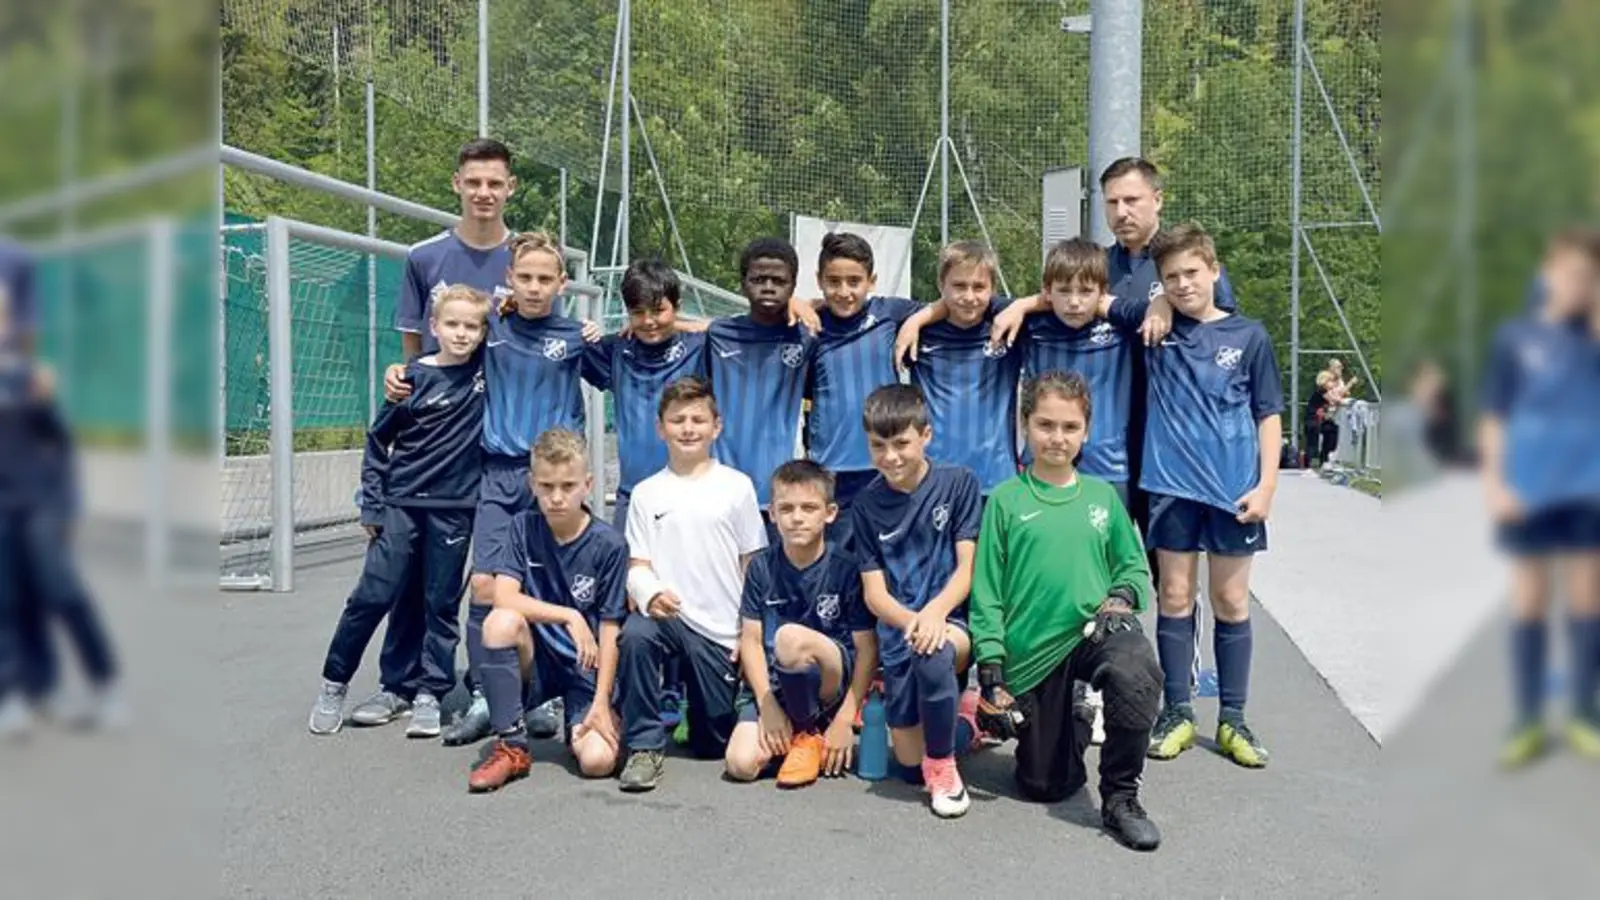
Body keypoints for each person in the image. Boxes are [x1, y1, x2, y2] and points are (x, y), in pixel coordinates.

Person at [384, 231, 601, 746]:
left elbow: (633, 363)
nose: (533, 286)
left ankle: (550, 691)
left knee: (552, 586)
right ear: (509, 279)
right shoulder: (494, 325)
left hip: (555, 479)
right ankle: (486, 689)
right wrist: (402, 371)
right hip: (500, 473)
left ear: (562, 283)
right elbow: (447, 351)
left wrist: (598, 333)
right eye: (524, 277)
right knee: (485, 585)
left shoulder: (576, 335)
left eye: (545, 278)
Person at [969, 371, 1164, 851]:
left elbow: (1135, 569)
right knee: (1045, 786)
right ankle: (1077, 712)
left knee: (1135, 670)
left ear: (1087, 431)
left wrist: (1121, 597)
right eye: (1045, 425)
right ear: (1025, 425)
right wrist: (991, 672)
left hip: (1094, 631)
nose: (1057, 438)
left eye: (1070, 427)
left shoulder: (1101, 497)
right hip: (1034, 654)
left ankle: (1121, 797)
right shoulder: (1006, 501)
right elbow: (987, 590)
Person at [309, 285, 490, 738]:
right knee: (373, 595)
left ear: (484, 332)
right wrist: (373, 502)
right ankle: (335, 682)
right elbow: (377, 442)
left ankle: (429, 690)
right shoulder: (409, 378)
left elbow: (516, 321)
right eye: (452, 324)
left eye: (472, 326)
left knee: (440, 601)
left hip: (455, 510)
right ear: (434, 326)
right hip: (401, 505)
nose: (462, 333)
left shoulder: (487, 373)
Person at [1140, 224, 1283, 770]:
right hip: (1173, 490)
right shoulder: (1155, 331)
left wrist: (1267, 484)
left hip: (1234, 492)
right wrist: (1153, 302)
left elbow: (1268, 414)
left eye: (1191, 273)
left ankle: (1234, 717)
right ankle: (1177, 711)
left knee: (1231, 602)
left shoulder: (1250, 336)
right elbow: (1092, 300)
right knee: (1174, 596)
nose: (1182, 284)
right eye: (1169, 277)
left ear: (1215, 271)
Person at [1479, 228, 1600, 767]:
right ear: (1547, 272)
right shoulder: (1516, 338)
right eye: (1566, 271)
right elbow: (1495, 417)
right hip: (1528, 489)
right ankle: (1527, 718)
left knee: (1586, 600)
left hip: (1586, 488)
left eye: (1585, 275)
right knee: (1529, 600)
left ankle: (1582, 712)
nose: (1573, 283)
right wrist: (1495, 485)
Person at [615, 377, 768, 791]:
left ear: (716, 427)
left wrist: (747, 631)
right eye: (677, 420)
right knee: (636, 635)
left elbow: (754, 565)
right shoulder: (646, 493)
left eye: (698, 420)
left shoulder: (737, 487)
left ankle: (703, 713)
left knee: (710, 743)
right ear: (660, 428)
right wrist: (649, 593)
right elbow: (637, 565)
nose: (688, 428)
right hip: (670, 617)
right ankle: (645, 746)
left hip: (720, 631)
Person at [0, 237, 121, 736]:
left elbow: (62, 446)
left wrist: (70, 505)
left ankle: (105, 682)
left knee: (60, 588)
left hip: (43, 503)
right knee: (7, 600)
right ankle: (18, 693)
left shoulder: (31, 380)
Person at [466, 429, 630, 791]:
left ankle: (586, 721)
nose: (556, 497)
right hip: (537, 660)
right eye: (546, 486)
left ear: (588, 484)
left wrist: (602, 701)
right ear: (532, 484)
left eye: (568, 486)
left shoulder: (610, 545)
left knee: (598, 762)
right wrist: (568, 615)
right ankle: (512, 745)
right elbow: (504, 596)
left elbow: (610, 628)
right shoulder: (522, 527)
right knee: (499, 623)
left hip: (585, 666)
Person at [849, 384, 982, 818]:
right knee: (907, 770)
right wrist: (912, 622)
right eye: (878, 445)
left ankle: (944, 767)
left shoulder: (957, 483)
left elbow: (967, 569)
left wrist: (935, 615)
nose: (891, 456)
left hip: (950, 624)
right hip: (901, 631)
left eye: (901, 442)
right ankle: (968, 723)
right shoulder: (866, 504)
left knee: (935, 653)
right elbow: (874, 593)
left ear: (925, 435)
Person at [724, 460, 878, 787]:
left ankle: (810, 731)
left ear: (830, 513)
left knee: (789, 638)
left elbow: (867, 650)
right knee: (741, 764)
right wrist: (767, 705)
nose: (797, 517)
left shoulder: (846, 568)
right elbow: (750, 640)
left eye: (809, 508)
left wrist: (846, 720)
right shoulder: (761, 567)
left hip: (829, 685)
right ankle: (798, 737)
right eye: (787, 508)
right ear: (772, 515)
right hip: (779, 687)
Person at [803, 233, 923, 522]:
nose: (844, 291)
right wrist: (800, 303)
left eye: (854, 281)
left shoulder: (889, 314)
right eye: (834, 282)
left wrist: (915, 322)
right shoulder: (811, 327)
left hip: (886, 466)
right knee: (837, 562)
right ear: (819, 280)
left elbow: (943, 306)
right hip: (831, 472)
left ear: (872, 280)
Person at [581, 259, 708, 532]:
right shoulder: (616, 350)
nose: (649, 321)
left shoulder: (701, 348)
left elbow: (747, 328)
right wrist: (582, 329)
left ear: (677, 307)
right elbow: (552, 337)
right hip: (633, 496)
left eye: (659, 310)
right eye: (638, 313)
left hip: (692, 495)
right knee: (629, 574)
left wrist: (684, 325)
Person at [892, 241, 1024, 499]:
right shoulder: (920, 333)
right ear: (941, 286)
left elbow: (1049, 300)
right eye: (959, 286)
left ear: (993, 289)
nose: (969, 296)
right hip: (933, 481)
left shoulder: (1008, 329)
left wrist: (1019, 306)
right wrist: (915, 321)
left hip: (996, 482)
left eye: (979, 287)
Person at [705, 238, 818, 536]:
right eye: (758, 279)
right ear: (743, 284)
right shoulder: (718, 335)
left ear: (793, 286)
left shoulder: (807, 338)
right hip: (721, 490)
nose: (768, 286)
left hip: (782, 495)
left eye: (779, 280)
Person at [394, 138, 519, 360]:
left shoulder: (529, 260)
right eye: (473, 183)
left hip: (508, 393)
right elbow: (412, 348)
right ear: (456, 183)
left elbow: (549, 338)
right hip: (443, 393)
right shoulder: (423, 257)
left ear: (510, 187)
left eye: (494, 184)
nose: (483, 193)